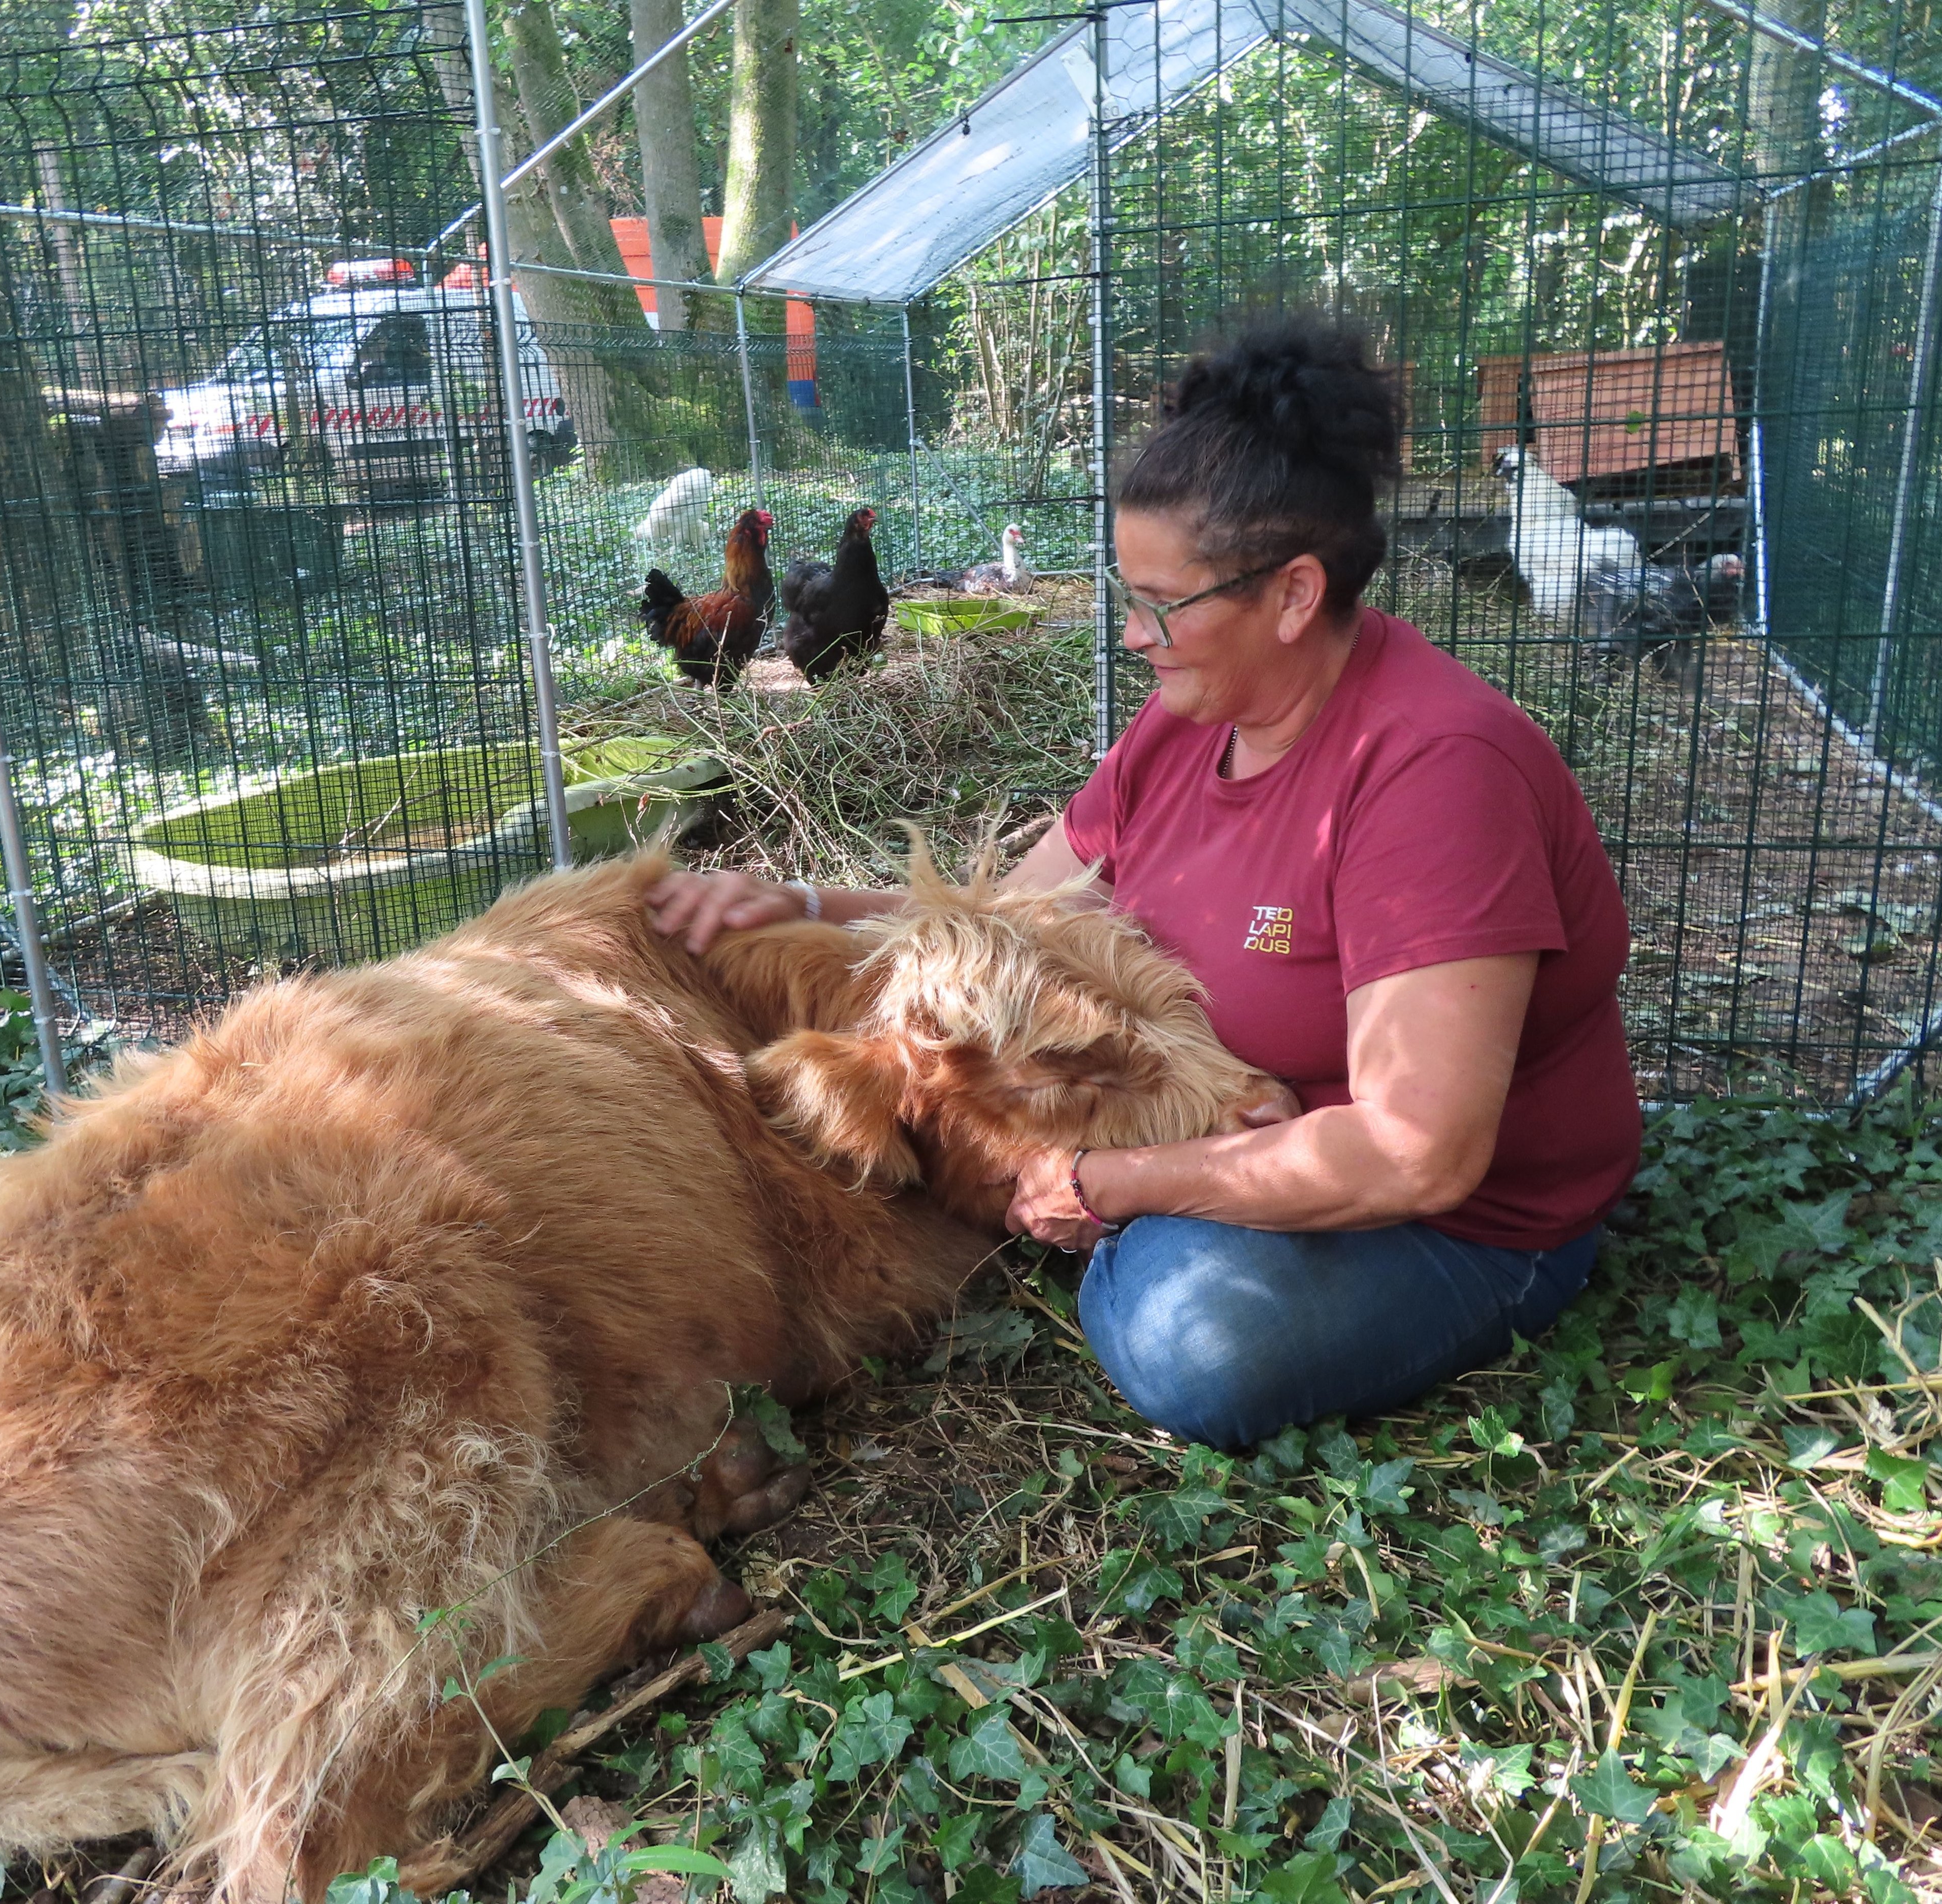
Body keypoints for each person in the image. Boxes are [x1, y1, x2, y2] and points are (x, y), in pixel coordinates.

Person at [645, 311, 1642, 1452]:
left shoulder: (1430, 775)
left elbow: (1420, 1152)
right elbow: (1016, 928)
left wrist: (1108, 1183)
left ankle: (1125, 1234)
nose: (1132, 636)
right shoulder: (1184, 726)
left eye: (1160, 605)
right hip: (1239, 1132)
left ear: (1294, 594)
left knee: (1195, 1339)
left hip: (1460, 1218)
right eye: (1128, 597)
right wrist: (807, 905)